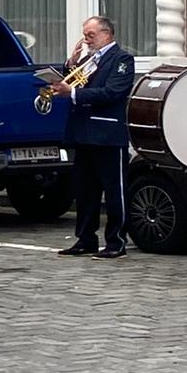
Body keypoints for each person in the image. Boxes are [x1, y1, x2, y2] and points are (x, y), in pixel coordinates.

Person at [49, 15, 136, 259]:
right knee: (85, 190)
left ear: (107, 34)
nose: (86, 40)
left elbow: (112, 92)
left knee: (114, 190)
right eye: (85, 35)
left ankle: (116, 241)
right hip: (83, 132)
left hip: (107, 132)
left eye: (91, 35)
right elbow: (76, 82)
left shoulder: (122, 59)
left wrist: (73, 93)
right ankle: (85, 238)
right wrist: (71, 65)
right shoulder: (87, 59)